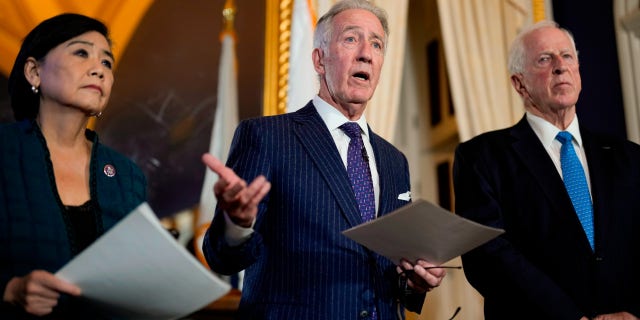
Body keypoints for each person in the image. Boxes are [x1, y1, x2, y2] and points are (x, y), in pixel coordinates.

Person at [201, 0, 446, 318]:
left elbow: (388, 275)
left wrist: (414, 282)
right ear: (319, 59)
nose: (366, 53)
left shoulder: (394, 160)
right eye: (351, 38)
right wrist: (238, 223)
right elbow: (223, 259)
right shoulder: (267, 137)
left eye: (377, 44)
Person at [453, 20, 640, 320]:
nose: (560, 66)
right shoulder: (482, 157)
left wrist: (634, 312)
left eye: (567, 56)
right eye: (544, 59)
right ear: (519, 83)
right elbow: (487, 256)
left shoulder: (630, 157)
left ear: (579, 71)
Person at [0, 13, 146, 318]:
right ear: (33, 71)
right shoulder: (5, 150)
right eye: (82, 53)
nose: (99, 70)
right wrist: (10, 290)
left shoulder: (128, 176)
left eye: (107, 62)